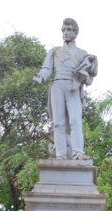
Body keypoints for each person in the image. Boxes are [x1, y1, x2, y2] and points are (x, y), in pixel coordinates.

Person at [33, 17, 97, 160]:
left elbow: (88, 78)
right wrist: (40, 77)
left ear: (75, 32)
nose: (65, 32)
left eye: (69, 30)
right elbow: (46, 69)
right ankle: (60, 155)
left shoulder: (83, 53)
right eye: (64, 30)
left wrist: (85, 74)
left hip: (73, 86)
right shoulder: (54, 51)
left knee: (75, 120)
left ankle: (78, 153)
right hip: (57, 86)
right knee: (58, 123)